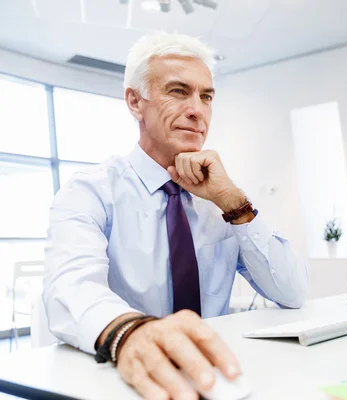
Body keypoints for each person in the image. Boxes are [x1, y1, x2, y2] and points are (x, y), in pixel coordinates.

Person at [43, 32, 309, 399]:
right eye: (178, 91)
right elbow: (69, 288)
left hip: (218, 377)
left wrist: (233, 201)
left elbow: (293, 292)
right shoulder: (91, 190)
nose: (197, 110)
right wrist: (131, 333)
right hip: (127, 381)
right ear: (135, 103)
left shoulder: (222, 199)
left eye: (207, 96)